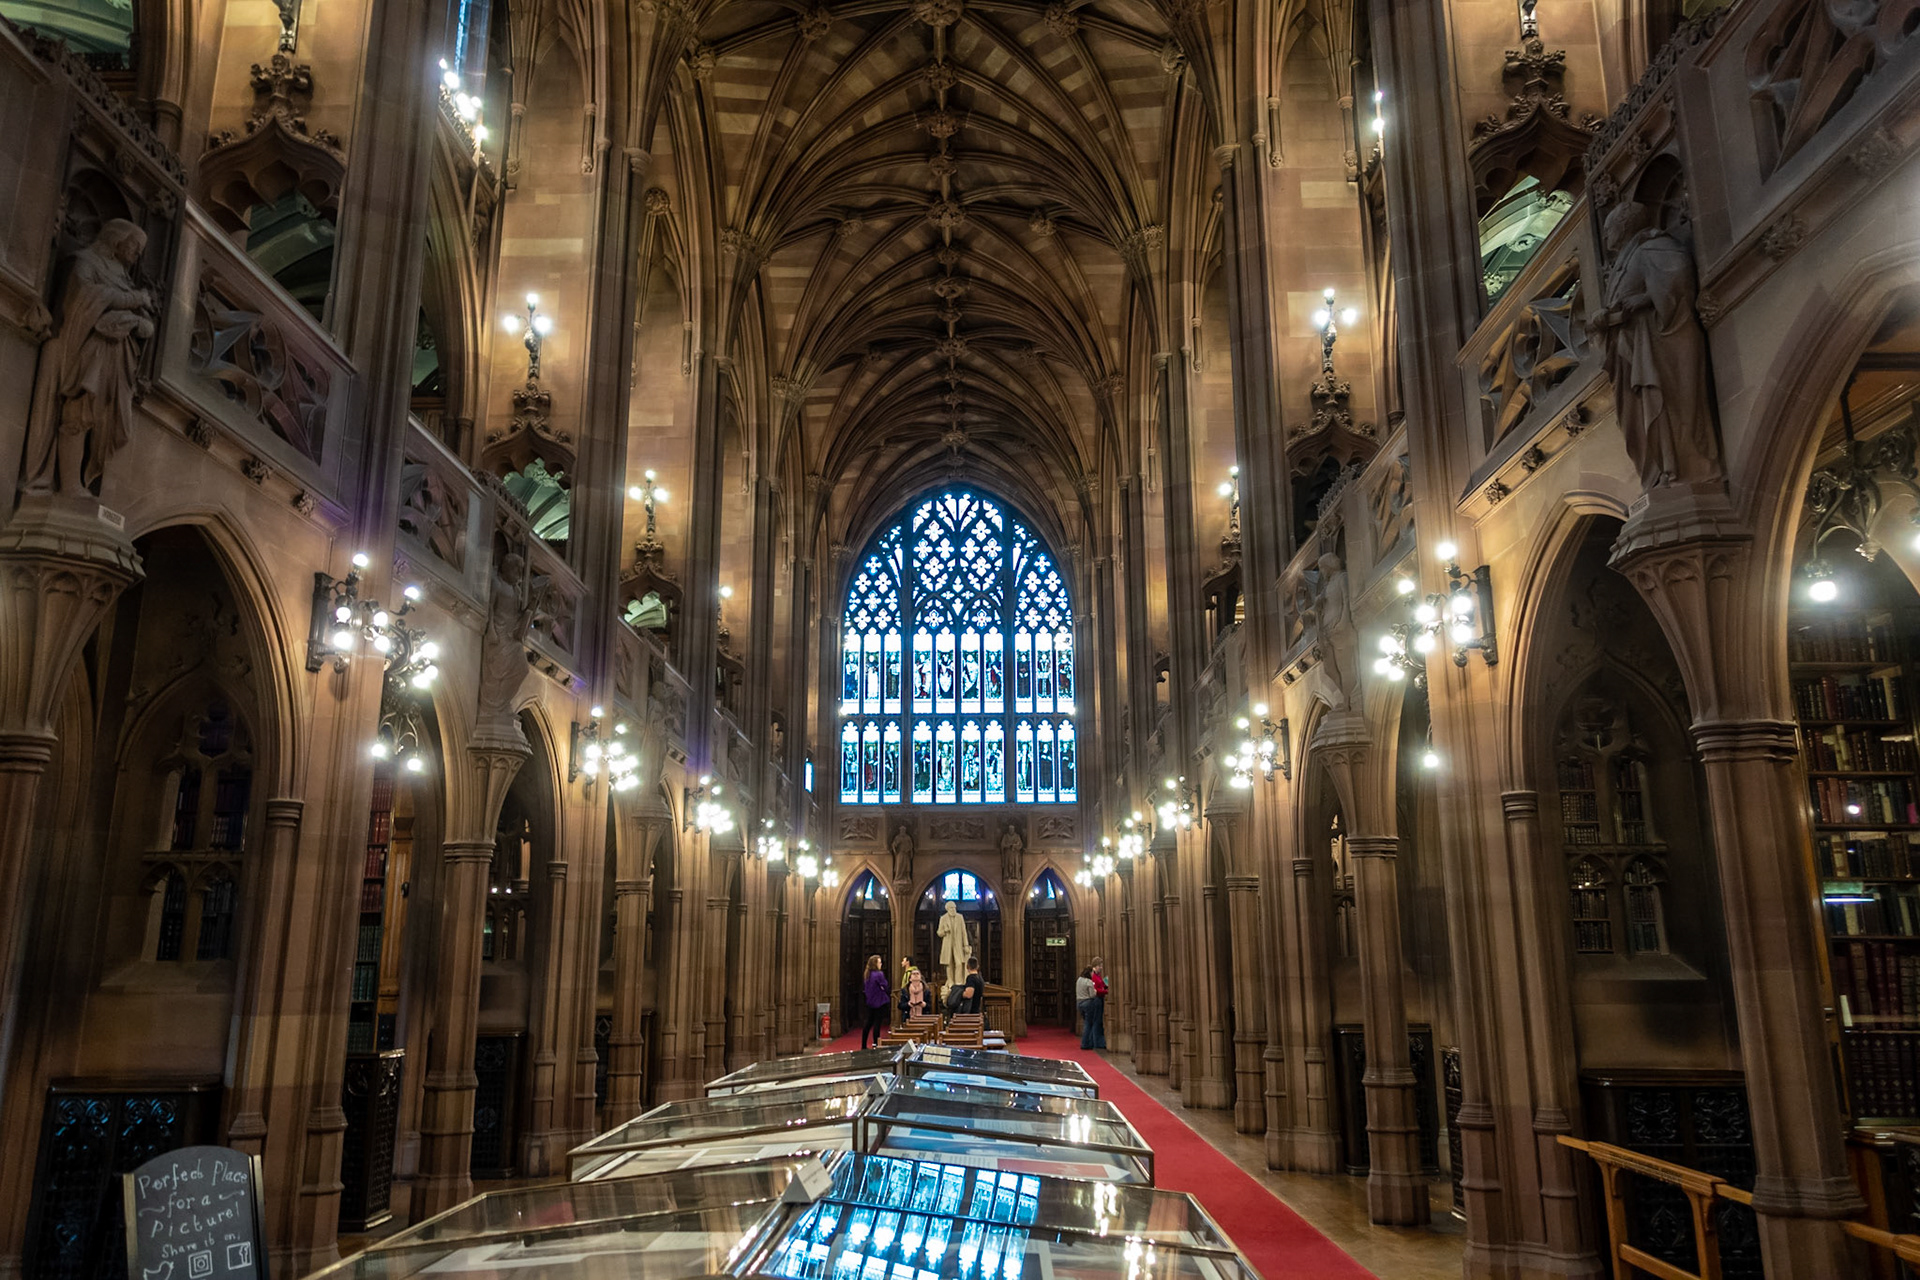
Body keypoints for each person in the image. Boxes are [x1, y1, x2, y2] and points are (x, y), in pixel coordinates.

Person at [860, 954, 890, 1049]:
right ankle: (875, 1044)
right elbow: (885, 985)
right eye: (880, 962)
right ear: (875, 964)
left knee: (868, 1023)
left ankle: (864, 1045)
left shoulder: (867, 974)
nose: (881, 964)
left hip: (870, 1002)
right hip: (880, 1002)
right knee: (877, 1023)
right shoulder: (879, 974)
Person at [1088, 957, 1108, 1050]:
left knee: (1098, 1021)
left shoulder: (1098, 976)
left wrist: (1105, 985)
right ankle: (1097, 1042)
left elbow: (1102, 985)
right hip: (1097, 1000)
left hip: (1100, 999)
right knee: (1097, 1021)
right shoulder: (1093, 976)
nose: (1101, 967)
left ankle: (1097, 1041)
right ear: (1095, 966)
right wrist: (1106, 991)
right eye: (1100, 966)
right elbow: (1096, 990)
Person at [1076, 967, 1098, 1049]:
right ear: (1089, 972)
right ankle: (1085, 1043)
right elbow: (1092, 995)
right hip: (1087, 1003)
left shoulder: (1079, 980)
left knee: (1086, 1023)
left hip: (1079, 1003)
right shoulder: (1089, 981)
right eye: (1092, 972)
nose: (1093, 974)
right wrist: (1095, 991)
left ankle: (1086, 1042)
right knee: (1088, 1024)